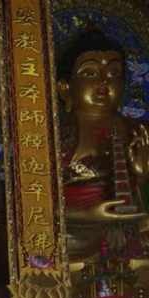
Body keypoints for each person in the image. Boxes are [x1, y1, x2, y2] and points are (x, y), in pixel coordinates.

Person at [57, 29, 149, 266]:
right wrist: (88, 216)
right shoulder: (51, 136)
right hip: (76, 235)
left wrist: (142, 177)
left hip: (134, 229)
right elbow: (33, 207)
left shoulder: (140, 132)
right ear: (65, 87)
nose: (103, 82)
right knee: (48, 246)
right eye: (90, 73)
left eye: (114, 73)